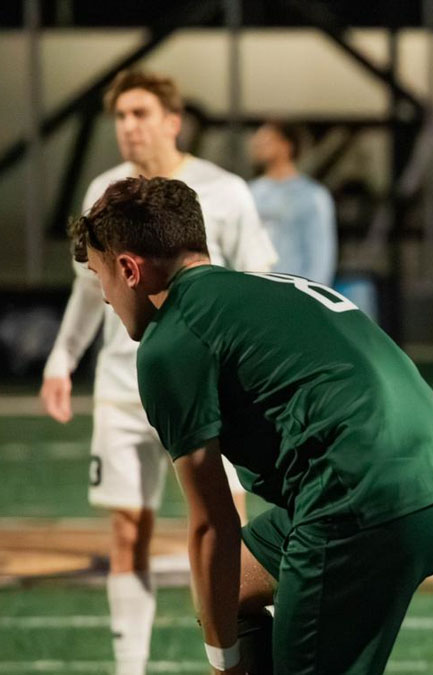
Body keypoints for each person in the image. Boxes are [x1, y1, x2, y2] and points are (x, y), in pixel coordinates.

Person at [71, 176, 433, 675]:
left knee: (224, 595)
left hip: (360, 501)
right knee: (231, 588)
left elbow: (212, 524)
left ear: (130, 270)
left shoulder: (172, 338)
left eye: (100, 276)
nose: (106, 299)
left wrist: (223, 663)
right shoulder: (271, 286)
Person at [39, 69, 276, 675]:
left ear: (173, 121)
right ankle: (130, 668)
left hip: (204, 387)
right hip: (123, 389)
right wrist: (62, 359)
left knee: (232, 530)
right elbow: (87, 291)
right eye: (120, 116)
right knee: (127, 531)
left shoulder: (223, 191)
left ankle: (248, 658)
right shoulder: (104, 191)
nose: (128, 127)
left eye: (140, 113)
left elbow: (257, 281)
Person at [249, 120, 338, 285]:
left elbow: (321, 254)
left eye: (267, 140)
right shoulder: (249, 192)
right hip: (256, 292)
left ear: (286, 146)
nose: (258, 145)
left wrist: (314, 296)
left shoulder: (312, 195)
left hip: (296, 292)